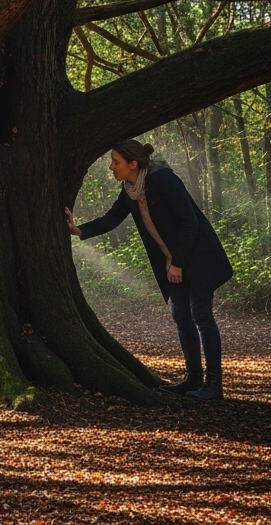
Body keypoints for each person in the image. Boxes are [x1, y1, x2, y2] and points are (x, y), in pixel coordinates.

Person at [65, 139, 233, 401]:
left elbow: (189, 222)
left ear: (133, 164)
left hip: (198, 258)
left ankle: (214, 385)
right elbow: (112, 218)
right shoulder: (130, 187)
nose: (111, 167)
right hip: (173, 261)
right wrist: (79, 230)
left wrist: (178, 262)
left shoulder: (162, 179)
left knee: (200, 314)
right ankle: (193, 380)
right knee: (181, 316)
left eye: (116, 162)